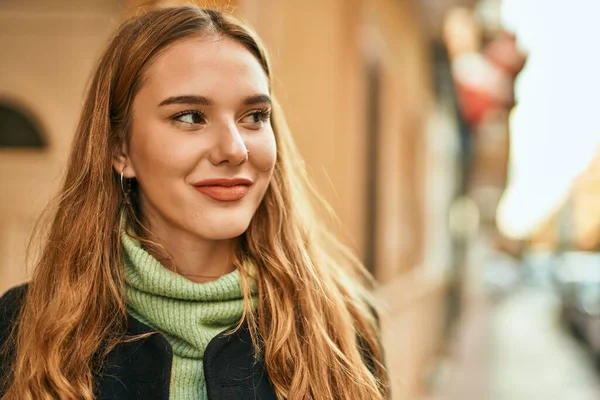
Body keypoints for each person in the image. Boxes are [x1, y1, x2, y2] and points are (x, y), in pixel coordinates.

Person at [0, 5, 388, 400]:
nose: (234, 150)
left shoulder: (343, 328)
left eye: (254, 115)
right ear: (120, 149)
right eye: (189, 116)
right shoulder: (21, 327)